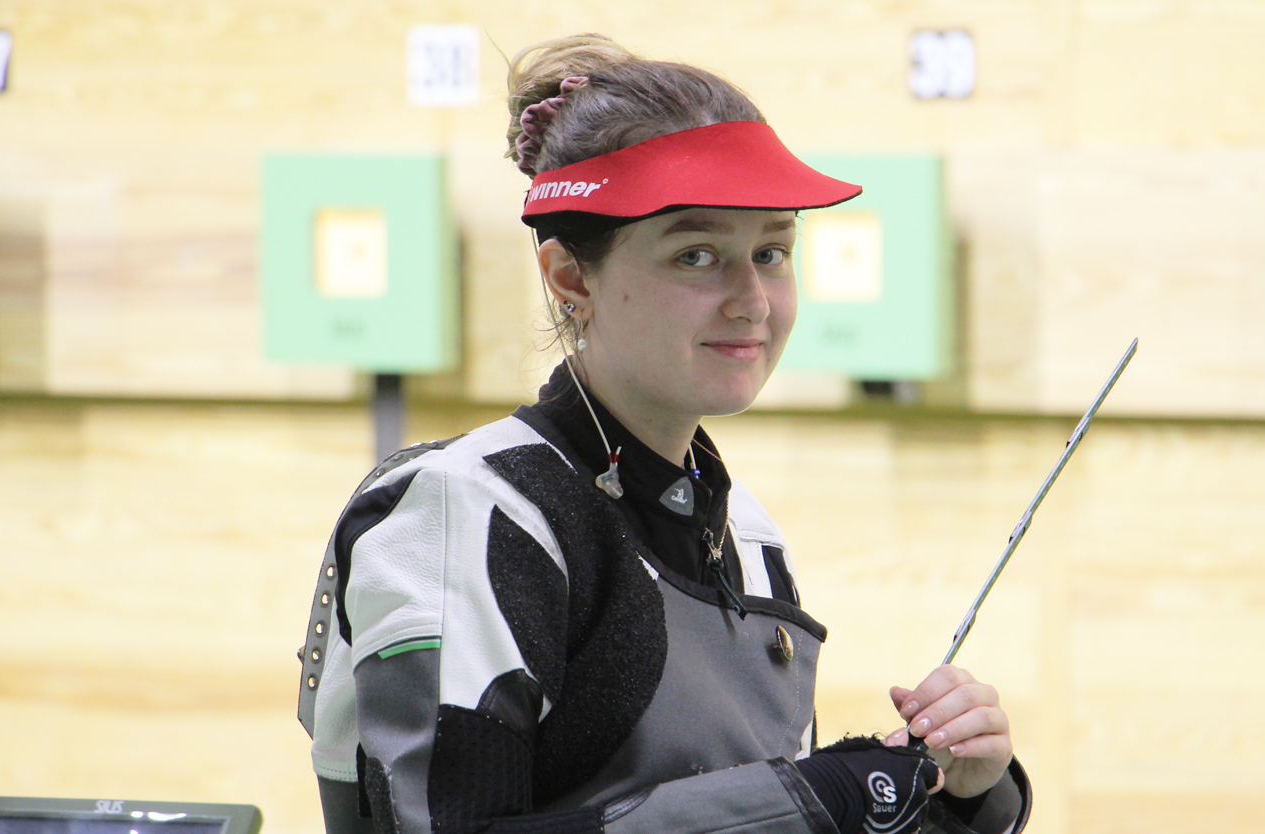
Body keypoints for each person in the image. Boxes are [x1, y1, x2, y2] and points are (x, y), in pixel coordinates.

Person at [296, 34, 1031, 834]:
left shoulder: (745, 529)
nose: (751, 298)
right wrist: (815, 798)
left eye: (772, 251)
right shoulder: (471, 511)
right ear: (571, 279)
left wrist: (956, 797)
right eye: (697, 255)